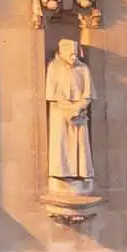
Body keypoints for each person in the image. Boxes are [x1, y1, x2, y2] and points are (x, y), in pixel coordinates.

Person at [47, 30, 96, 191]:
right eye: (70, 53)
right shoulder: (54, 67)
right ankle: (61, 174)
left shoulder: (83, 69)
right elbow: (53, 94)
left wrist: (78, 107)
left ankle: (82, 174)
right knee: (62, 143)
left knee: (80, 146)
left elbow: (88, 94)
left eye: (75, 53)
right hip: (60, 112)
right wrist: (67, 109)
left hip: (79, 113)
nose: (73, 56)